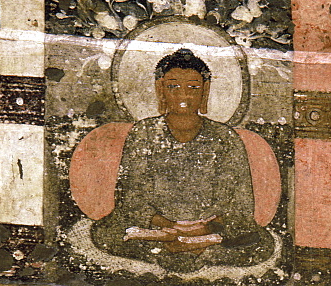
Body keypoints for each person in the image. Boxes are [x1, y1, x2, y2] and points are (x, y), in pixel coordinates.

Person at [89, 48, 273, 270]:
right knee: (106, 234)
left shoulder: (225, 138)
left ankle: (189, 247)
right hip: (158, 229)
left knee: (258, 243)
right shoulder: (144, 132)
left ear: (205, 92)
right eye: (173, 86)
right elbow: (130, 197)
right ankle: (184, 249)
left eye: (193, 88)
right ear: (161, 90)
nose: (183, 95)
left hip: (210, 229)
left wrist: (205, 229)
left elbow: (240, 203)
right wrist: (168, 227)